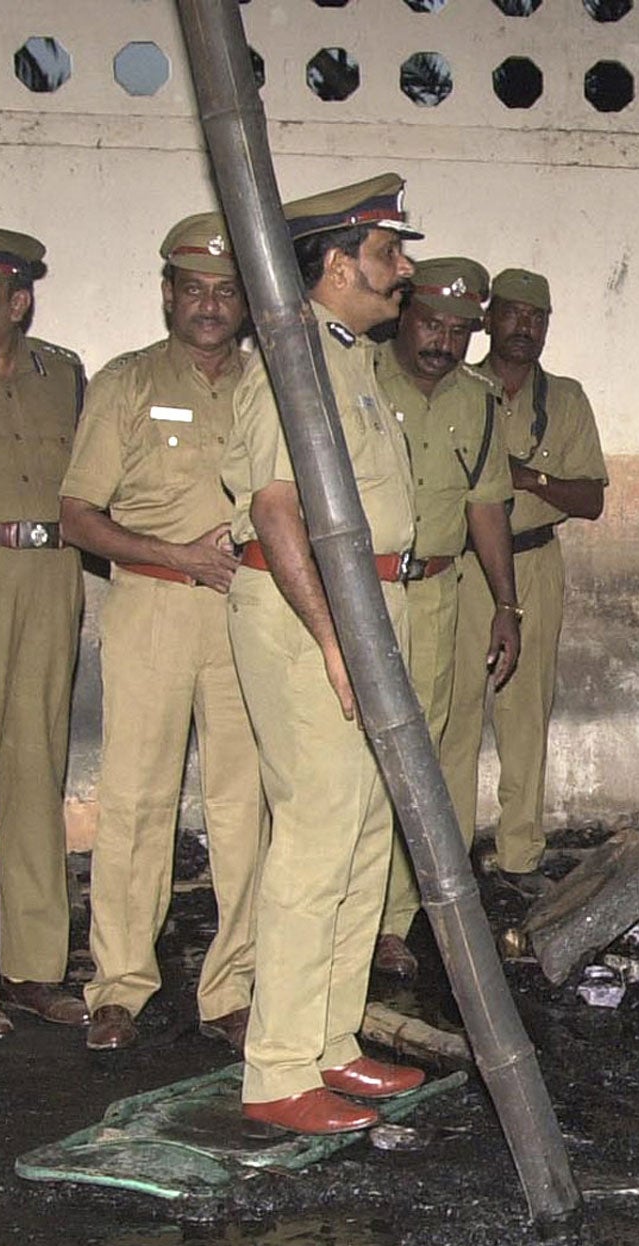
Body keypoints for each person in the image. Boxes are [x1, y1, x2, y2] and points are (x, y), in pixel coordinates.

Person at [220, 174, 428, 1134]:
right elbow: (274, 511)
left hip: (366, 607)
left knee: (365, 831)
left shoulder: (347, 359)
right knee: (315, 837)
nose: (404, 271)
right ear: (338, 264)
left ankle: (331, 1042)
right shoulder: (290, 360)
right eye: (390, 253)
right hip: (315, 615)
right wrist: (333, 637)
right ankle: (276, 1073)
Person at [58, 212, 263, 1052]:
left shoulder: (271, 387)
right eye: (194, 289)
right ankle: (118, 985)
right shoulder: (127, 383)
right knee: (138, 799)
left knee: (245, 805)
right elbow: (76, 516)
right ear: (168, 294)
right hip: (150, 607)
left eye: (225, 291)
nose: (209, 305)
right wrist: (173, 552)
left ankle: (235, 987)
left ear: (246, 303)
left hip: (250, 613)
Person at [370, 256, 520, 980]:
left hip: (434, 593)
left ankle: (391, 923)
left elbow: (484, 504)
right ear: (402, 309)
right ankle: (340, 913)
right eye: (432, 323)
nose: (445, 342)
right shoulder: (355, 380)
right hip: (360, 595)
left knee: (418, 761)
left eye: (461, 331)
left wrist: (507, 604)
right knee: (348, 760)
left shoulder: (476, 400)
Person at [441, 269, 607, 895]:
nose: (524, 328)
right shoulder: (456, 389)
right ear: (488, 320)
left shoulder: (564, 399)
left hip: (535, 562)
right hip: (461, 566)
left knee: (525, 713)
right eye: (512, 314)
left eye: (536, 318)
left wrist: (530, 478)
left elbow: (589, 499)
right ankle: (451, 859)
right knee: (454, 714)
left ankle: (519, 857)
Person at [0, 222, 88, 1042]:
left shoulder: (65, 376)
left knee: (35, 767)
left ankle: (33, 968)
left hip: (52, 577)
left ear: (17, 301)